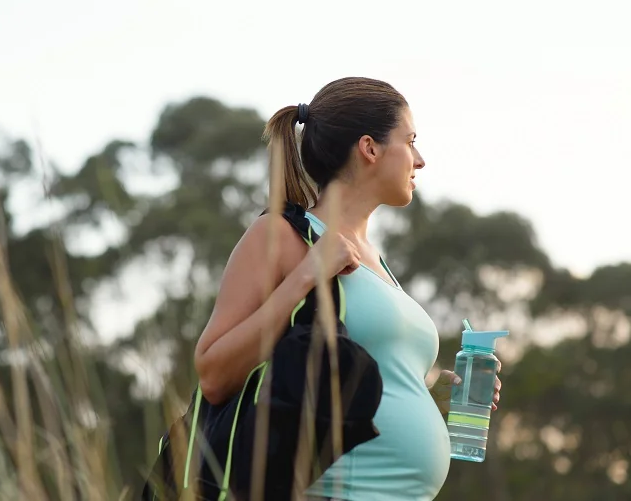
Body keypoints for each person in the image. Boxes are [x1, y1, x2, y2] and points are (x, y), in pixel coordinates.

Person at [193, 77, 503, 501]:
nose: (420, 159)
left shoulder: (378, 263)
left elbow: (360, 379)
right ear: (370, 148)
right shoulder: (281, 235)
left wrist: (430, 394)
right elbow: (212, 373)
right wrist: (307, 276)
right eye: (410, 141)